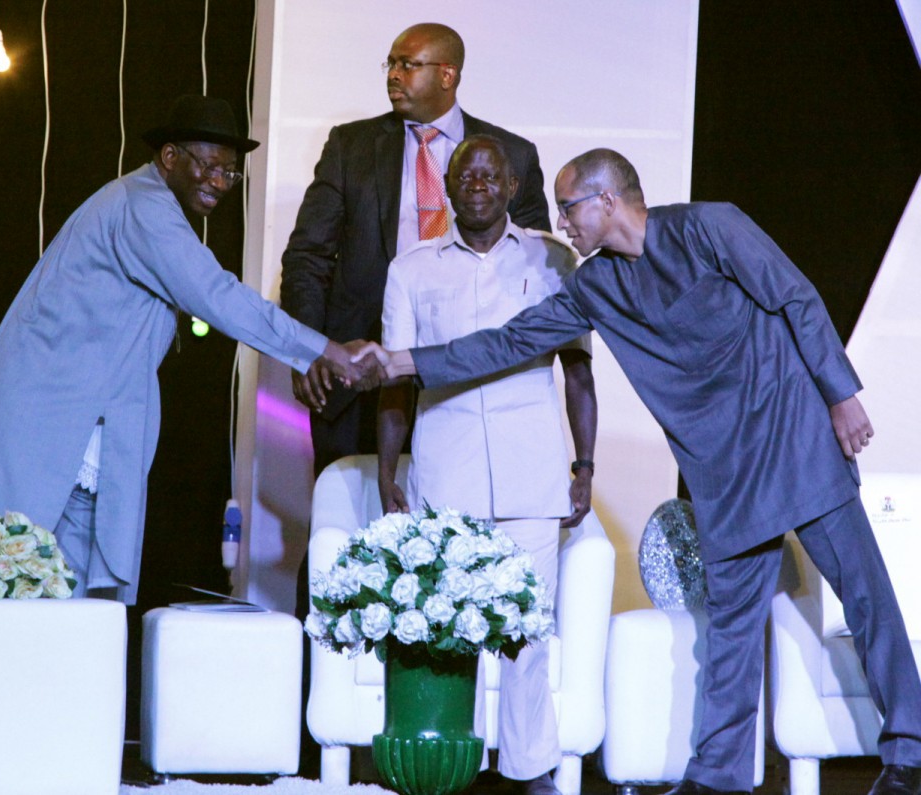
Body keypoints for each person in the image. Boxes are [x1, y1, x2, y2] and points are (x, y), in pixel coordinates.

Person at [359, 149, 921, 795]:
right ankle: (718, 777)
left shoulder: (710, 226)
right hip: (723, 471)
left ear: (605, 200)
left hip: (793, 435)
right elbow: (511, 340)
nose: (561, 221)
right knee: (732, 632)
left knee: (866, 595)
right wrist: (397, 362)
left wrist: (840, 395)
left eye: (568, 206)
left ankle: (909, 749)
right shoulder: (596, 285)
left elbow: (793, 295)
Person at [0, 95, 377, 605]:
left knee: (61, 585)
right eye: (209, 166)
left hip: (83, 418)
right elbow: (217, 295)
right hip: (48, 414)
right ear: (169, 157)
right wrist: (327, 352)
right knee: (12, 575)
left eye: (230, 173)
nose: (218, 182)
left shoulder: (148, 205)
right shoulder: (143, 206)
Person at [377, 135, 596, 795]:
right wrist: (390, 472)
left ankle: (532, 773)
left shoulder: (553, 259)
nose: (475, 182)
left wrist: (585, 464)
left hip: (532, 471)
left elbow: (579, 370)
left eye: (489, 174)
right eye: (463, 172)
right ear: (447, 184)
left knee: (527, 630)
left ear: (508, 186)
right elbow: (393, 380)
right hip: (446, 473)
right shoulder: (411, 269)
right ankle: (448, 765)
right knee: (449, 628)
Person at [280, 22, 552, 478]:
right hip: (357, 373)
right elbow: (307, 256)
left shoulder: (511, 155)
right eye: (390, 63)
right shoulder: (351, 146)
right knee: (355, 528)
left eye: (408, 64)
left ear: (448, 75)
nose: (393, 74)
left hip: (470, 381)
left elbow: (534, 266)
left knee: (457, 530)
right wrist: (307, 349)